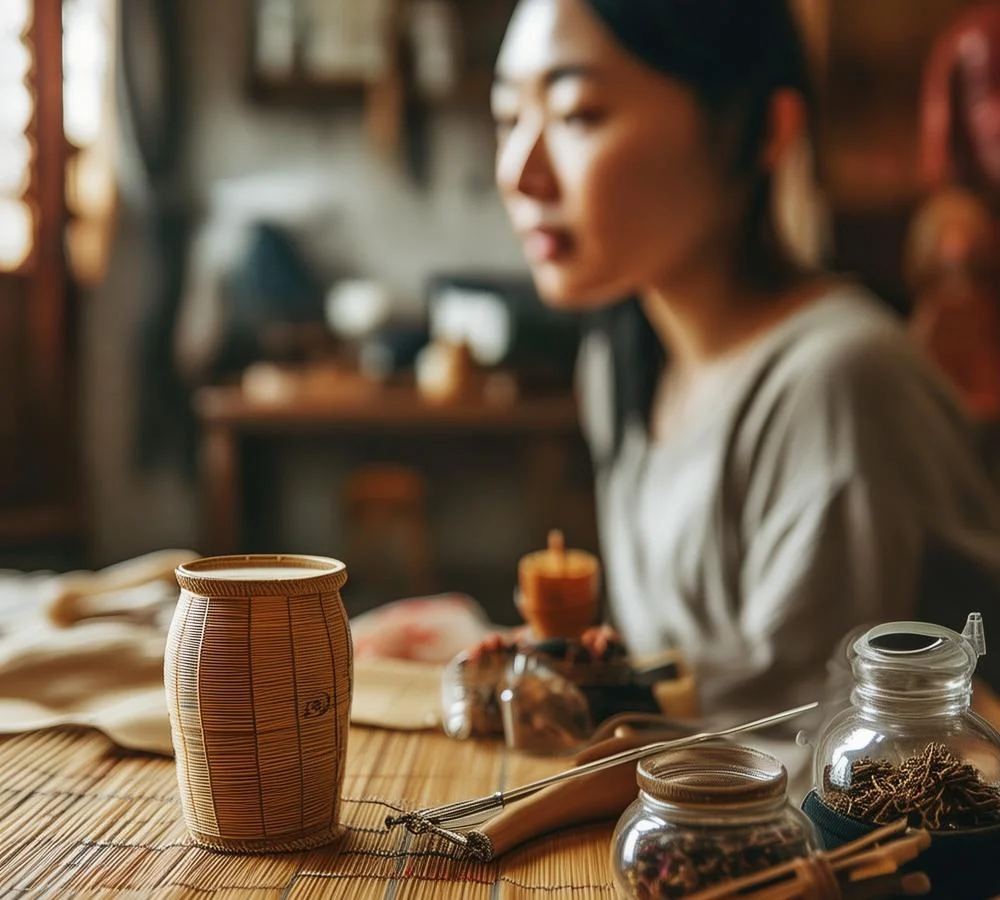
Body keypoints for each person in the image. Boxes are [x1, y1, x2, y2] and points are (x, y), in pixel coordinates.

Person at [482, 0, 1000, 777]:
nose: (520, 172)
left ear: (765, 130)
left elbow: (818, 757)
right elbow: (698, 690)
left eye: (578, 114)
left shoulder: (840, 386)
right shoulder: (624, 358)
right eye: (506, 118)